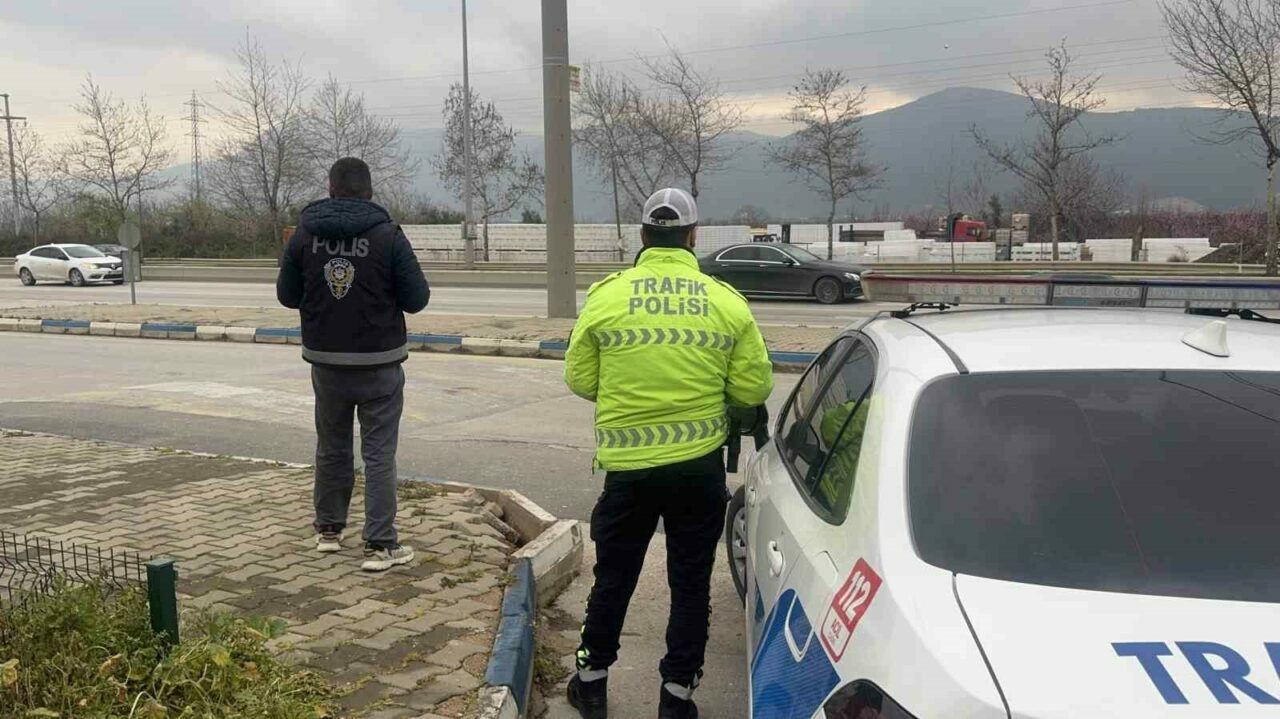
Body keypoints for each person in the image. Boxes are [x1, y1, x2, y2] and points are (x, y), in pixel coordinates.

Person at [564, 188, 774, 719]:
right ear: (692, 236)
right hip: (697, 470)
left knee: (613, 577)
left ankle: (591, 683)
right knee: (690, 583)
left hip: (628, 473)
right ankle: (676, 697)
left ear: (643, 236)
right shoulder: (726, 302)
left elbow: (580, 378)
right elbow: (752, 389)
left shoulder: (607, 296)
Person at [277, 157, 430, 572]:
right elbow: (417, 299)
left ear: (330, 190)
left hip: (326, 362)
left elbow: (287, 296)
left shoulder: (305, 235)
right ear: (370, 191)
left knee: (332, 446)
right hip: (380, 363)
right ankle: (380, 545)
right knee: (379, 454)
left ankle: (329, 530)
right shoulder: (388, 235)